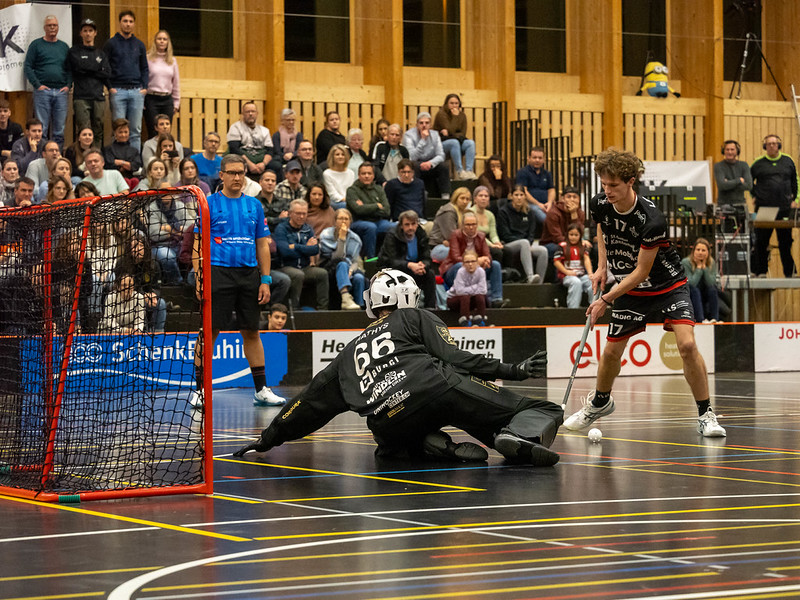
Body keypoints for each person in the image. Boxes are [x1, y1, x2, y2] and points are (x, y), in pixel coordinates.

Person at [234, 269, 561, 465]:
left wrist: (269, 437)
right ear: (408, 298)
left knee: (389, 445)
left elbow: (309, 401)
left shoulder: (350, 351)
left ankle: (429, 445)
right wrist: (513, 370)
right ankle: (514, 434)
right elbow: (455, 357)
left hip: (388, 420)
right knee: (541, 408)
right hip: (436, 388)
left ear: (374, 302)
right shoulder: (415, 316)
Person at [563, 148, 726, 438]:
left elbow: (641, 272)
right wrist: (601, 266)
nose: (607, 190)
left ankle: (706, 414)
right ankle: (600, 402)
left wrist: (605, 299)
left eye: (613, 185)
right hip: (629, 288)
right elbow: (602, 230)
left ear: (630, 181)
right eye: (604, 184)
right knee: (611, 352)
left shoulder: (651, 219)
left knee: (687, 345)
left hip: (667, 286)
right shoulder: (600, 203)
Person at [190, 154, 285, 408]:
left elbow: (262, 245)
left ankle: (261, 390)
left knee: (252, 331)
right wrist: (200, 278)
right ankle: (200, 390)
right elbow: (198, 244)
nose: (237, 177)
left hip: (249, 275)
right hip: (217, 273)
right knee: (209, 332)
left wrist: (265, 279)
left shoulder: (254, 205)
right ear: (221, 175)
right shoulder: (208, 203)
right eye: (232, 173)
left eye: (241, 173)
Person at [750, 134, 798, 278]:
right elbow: (749, 182)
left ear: (779, 145)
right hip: (764, 208)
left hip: (784, 208)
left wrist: (795, 199)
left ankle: (790, 272)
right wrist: (754, 196)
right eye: (769, 144)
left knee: (785, 242)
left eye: (774, 143)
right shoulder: (758, 163)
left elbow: (795, 181)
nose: (771, 146)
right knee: (761, 241)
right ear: (765, 146)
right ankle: (761, 271)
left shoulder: (788, 161)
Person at [440, 210, 505, 308]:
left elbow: (487, 256)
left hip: (475, 269)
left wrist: (485, 260)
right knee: (460, 266)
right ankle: (461, 297)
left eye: (474, 224)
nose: (471, 227)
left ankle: (497, 299)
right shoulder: (455, 235)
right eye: (468, 225)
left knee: (495, 265)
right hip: (453, 270)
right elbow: (455, 258)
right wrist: (477, 261)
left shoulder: (481, 236)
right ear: (462, 225)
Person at [23, 15, 70, 148]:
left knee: (59, 130)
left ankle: (57, 157)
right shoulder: (36, 45)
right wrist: (37, 85)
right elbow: (28, 66)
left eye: (55, 25)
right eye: (49, 25)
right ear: (44, 27)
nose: (52, 28)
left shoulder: (64, 46)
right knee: (41, 129)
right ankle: (40, 154)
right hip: (42, 92)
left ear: (58, 27)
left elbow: (69, 68)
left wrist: (68, 85)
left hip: (61, 92)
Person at [104, 10, 149, 151]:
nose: (128, 24)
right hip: (118, 91)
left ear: (134, 24)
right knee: (118, 129)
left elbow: (144, 68)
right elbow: (104, 67)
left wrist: (145, 87)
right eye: (125, 21)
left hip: (136, 91)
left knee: (135, 131)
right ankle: (117, 159)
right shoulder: (111, 43)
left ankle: (134, 160)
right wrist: (110, 87)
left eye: (130, 21)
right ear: (120, 23)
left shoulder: (139, 44)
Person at [274, 199, 329, 310]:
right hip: (285, 267)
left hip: (305, 267)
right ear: (290, 213)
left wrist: (295, 247)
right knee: (298, 275)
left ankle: (323, 309)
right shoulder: (281, 228)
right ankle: (294, 309)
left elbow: (315, 250)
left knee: (322, 273)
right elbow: (285, 252)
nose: (302, 216)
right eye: (298, 213)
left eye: (304, 213)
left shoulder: (308, 229)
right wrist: (306, 248)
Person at [377, 210, 437, 309]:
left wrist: (423, 265)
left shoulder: (421, 234)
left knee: (429, 274)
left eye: (413, 224)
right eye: (407, 224)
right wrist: (409, 265)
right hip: (395, 271)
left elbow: (427, 257)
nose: (410, 227)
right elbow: (390, 261)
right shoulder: (392, 235)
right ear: (401, 225)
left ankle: (430, 309)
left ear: (417, 224)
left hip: (415, 269)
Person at [68, 18, 110, 146]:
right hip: (81, 97)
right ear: (81, 33)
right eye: (85, 31)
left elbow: (106, 73)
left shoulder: (101, 54)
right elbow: (77, 69)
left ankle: (96, 155)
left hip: (98, 96)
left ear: (95, 33)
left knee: (98, 130)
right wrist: (97, 69)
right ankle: (83, 155)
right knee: (83, 130)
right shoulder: (74, 51)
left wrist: (87, 69)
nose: (88, 33)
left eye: (90, 30)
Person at [115, 236, 167, 333]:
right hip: (128, 298)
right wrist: (143, 296)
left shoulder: (153, 264)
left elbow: (157, 286)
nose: (138, 249)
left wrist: (154, 294)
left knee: (161, 304)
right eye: (135, 246)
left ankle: (157, 333)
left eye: (141, 246)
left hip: (148, 298)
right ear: (130, 249)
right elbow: (122, 287)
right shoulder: (122, 264)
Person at [497, 184, 547, 284]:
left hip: (526, 245)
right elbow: (505, 235)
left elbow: (531, 233)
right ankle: (530, 276)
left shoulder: (529, 212)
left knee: (543, 250)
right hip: (509, 244)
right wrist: (524, 243)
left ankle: (539, 283)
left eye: (521, 195)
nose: (519, 198)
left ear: (525, 196)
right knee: (524, 242)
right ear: (511, 196)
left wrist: (528, 243)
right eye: (516, 195)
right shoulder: (503, 211)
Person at [319, 208, 365, 310]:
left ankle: (360, 309)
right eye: (340, 218)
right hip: (329, 266)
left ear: (350, 222)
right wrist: (342, 238)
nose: (343, 221)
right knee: (342, 263)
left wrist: (351, 270)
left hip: (348, 268)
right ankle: (345, 298)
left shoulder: (355, 239)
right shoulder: (326, 234)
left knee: (359, 278)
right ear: (335, 221)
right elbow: (337, 258)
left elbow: (355, 261)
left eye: (346, 219)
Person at [346, 162, 393, 259]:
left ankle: (390, 258)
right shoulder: (352, 190)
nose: (366, 176)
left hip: (378, 222)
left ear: (373, 176)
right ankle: (370, 260)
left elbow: (387, 211)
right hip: (358, 222)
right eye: (363, 173)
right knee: (370, 227)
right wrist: (377, 205)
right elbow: (358, 210)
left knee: (394, 226)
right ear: (359, 175)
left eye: (369, 173)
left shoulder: (379, 189)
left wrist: (365, 206)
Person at [145, 187, 189, 284]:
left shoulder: (180, 205)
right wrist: (178, 231)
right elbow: (154, 234)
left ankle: (191, 282)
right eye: (163, 192)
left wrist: (168, 229)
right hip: (160, 245)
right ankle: (177, 283)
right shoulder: (152, 208)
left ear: (172, 193)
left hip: (180, 243)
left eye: (168, 192)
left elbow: (190, 227)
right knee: (167, 256)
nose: (165, 195)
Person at [227, 101, 281, 180]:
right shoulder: (235, 127)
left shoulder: (264, 130)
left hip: (261, 160)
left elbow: (270, 150)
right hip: (243, 160)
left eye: (253, 111)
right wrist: (249, 164)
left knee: (277, 166)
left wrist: (263, 164)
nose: (250, 114)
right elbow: (234, 149)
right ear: (242, 114)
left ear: (257, 113)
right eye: (247, 112)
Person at [404, 112, 449, 199]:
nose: (424, 125)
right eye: (421, 123)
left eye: (427, 123)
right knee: (413, 165)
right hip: (417, 163)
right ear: (417, 125)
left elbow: (441, 155)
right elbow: (412, 157)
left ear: (430, 125)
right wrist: (423, 140)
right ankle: (416, 194)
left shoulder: (435, 135)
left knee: (444, 166)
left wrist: (430, 163)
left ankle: (445, 196)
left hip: (430, 163)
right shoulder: (409, 135)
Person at [144, 30, 180, 140]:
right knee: (153, 131)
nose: (162, 41)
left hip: (167, 100)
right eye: (159, 39)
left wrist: (176, 103)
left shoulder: (172, 61)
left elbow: (176, 82)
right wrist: (142, 100)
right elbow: (143, 80)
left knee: (165, 132)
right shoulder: (148, 58)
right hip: (151, 99)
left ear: (168, 42)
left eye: (165, 39)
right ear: (155, 41)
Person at [433, 93, 477, 180]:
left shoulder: (462, 115)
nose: (454, 106)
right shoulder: (441, 114)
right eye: (451, 103)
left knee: (470, 143)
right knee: (454, 142)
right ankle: (460, 171)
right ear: (446, 104)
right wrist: (455, 117)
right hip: (442, 144)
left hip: (457, 142)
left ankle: (469, 171)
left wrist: (451, 133)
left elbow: (462, 133)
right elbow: (451, 130)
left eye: (456, 103)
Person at [540, 186, 588, 260]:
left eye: (575, 197)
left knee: (588, 248)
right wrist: (574, 243)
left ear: (579, 199)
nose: (572, 199)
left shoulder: (580, 213)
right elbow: (557, 237)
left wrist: (574, 215)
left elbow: (579, 233)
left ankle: (584, 268)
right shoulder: (553, 213)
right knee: (566, 249)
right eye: (569, 197)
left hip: (571, 241)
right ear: (563, 199)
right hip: (551, 243)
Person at [554, 223, 593, 308]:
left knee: (592, 281)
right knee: (576, 282)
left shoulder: (583, 246)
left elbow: (586, 259)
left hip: (581, 275)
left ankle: (594, 307)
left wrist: (590, 273)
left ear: (580, 236)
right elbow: (556, 262)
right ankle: (573, 308)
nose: (573, 237)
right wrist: (566, 272)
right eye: (571, 235)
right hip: (566, 276)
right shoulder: (562, 246)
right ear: (567, 235)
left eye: (576, 235)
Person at [428, 187, 472, 262]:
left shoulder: (462, 212)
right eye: (462, 198)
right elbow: (451, 236)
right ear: (455, 198)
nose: (465, 202)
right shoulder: (449, 211)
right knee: (468, 255)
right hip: (438, 247)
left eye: (467, 199)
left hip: (451, 246)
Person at [682, 237, 720, 323]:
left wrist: (705, 268)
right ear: (693, 251)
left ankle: (714, 319)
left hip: (704, 292)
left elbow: (711, 282)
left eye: (703, 250)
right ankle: (700, 319)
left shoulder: (711, 262)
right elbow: (692, 283)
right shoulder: (686, 262)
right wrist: (699, 268)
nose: (700, 253)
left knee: (712, 289)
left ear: (708, 252)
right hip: (690, 293)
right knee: (695, 290)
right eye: (698, 250)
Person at [447, 250, 488, 327]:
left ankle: (480, 320)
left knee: (480, 297)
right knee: (465, 297)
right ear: (463, 264)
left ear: (477, 262)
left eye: (473, 261)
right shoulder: (460, 272)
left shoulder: (481, 271)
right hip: (455, 300)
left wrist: (467, 290)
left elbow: (483, 290)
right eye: (467, 262)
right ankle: (466, 321)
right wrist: (476, 286)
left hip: (471, 300)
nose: (470, 264)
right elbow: (460, 291)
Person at [515, 146, 555, 225]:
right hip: (530, 204)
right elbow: (524, 191)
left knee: (558, 214)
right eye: (534, 157)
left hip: (546, 204)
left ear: (544, 160)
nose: (537, 160)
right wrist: (538, 204)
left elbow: (551, 190)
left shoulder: (547, 173)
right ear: (529, 158)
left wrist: (550, 202)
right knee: (544, 218)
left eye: (540, 158)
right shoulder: (523, 172)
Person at [103, 118, 142, 185]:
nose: (123, 135)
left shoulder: (134, 150)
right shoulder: (108, 149)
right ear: (115, 133)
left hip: (131, 179)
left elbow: (135, 166)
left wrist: (120, 162)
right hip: (112, 180)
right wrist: (127, 164)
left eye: (126, 132)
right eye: (120, 132)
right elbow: (109, 165)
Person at [714, 140, 752, 206]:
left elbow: (749, 186)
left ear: (737, 151)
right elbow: (722, 186)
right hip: (723, 205)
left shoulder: (744, 165)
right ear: (723, 151)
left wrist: (728, 183)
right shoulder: (718, 166)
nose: (730, 152)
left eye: (732, 149)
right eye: (727, 149)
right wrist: (739, 180)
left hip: (740, 205)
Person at [472, 185, 504, 263]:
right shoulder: (470, 213)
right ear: (475, 199)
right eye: (480, 196)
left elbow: (493, 233)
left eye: (486, 196)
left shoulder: (490, 215)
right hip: (474, 242)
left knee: (507, 250)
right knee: (497, 252)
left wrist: (497, 242)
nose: (483, 198)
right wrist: (491, 245)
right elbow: (475, 234)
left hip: (486, 242)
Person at [322, 144, 354, 210]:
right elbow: (332, 194)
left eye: (343, 154)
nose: (340, 157)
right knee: (345, 206)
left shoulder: (351, 173)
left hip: (349, 201)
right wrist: (347, 200)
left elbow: (352, 191)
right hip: (335, 202)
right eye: (337, 154)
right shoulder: (327, 173)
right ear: (332, 157)